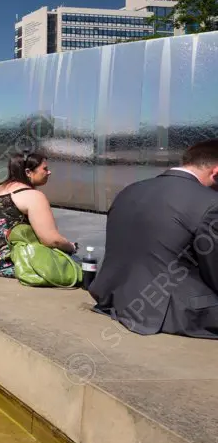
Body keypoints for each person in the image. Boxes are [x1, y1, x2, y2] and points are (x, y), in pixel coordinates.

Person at [91, 140, 218, 339]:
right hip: (174, 313)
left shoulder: (129, 191)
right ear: (216, 172)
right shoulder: (211, 203)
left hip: (118, 299)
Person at [0, 152, 77, 276]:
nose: (49, 172)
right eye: (45, 169)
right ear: (28, 172)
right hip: (0, 264)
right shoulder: (32, 196)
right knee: (67, 267)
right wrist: (71, 247)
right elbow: (52, 240)